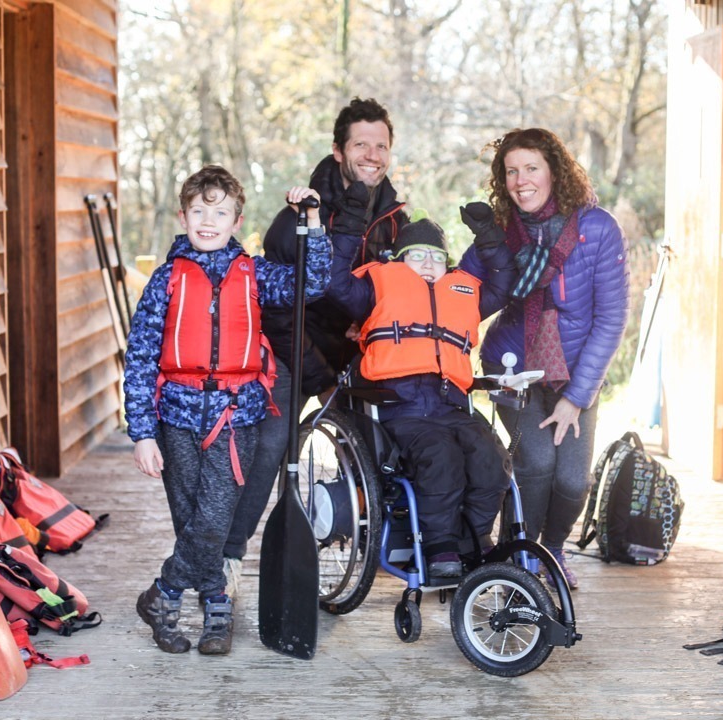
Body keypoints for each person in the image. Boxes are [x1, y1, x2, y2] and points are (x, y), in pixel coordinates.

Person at [123, 165, 330, 655]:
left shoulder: (254, 274)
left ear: (237, 220)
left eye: (220, 212)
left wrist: (314, 222)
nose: (208, 221)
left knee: (214, 518)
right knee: (190, 519)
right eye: (199, 211)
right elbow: (140, 356)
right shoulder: (166, 279)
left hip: (236, 416)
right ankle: (216, 603)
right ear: (184, 215)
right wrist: (142, 432)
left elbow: (313, 283)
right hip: (175, 416)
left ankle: (165, 593)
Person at [221, 97, 409, 589]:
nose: (372, 154)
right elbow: (281, 312)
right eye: (360, 144)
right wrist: (322, 379)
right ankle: (230, 557)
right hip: (290, 347)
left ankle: (394, 544)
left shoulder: (395, 219)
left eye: (380, 145)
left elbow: (395, 291)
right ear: (338, 149)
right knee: (271, 447)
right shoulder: (299, 217)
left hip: (353, 349)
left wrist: (365, 324)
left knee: (401, 430)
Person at [460, 128, 630, 589]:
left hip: (576, 372)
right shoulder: (498, 234)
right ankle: (521, 556)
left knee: (572, 481)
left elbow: (611, 319)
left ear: (554, 170)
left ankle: (552, 550)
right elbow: (461, 296)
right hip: (513, 368)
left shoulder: (597, 228)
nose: (522, 180)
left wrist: (576, 397)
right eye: (511, 171)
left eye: (531, 168)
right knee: (534, 467)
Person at [327, 190, 516, 577]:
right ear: (398, 260)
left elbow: (504, 283)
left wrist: (489, 236)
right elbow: (333, 282)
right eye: (417, 255)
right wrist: (349, 220)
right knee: (440, 459)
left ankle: (475, 538)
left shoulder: (462, 292)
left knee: (493, 461)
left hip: (453, 404)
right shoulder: (377, 287)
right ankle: (440, 547)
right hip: (402, 407)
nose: (428, 264)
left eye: (436, 257)